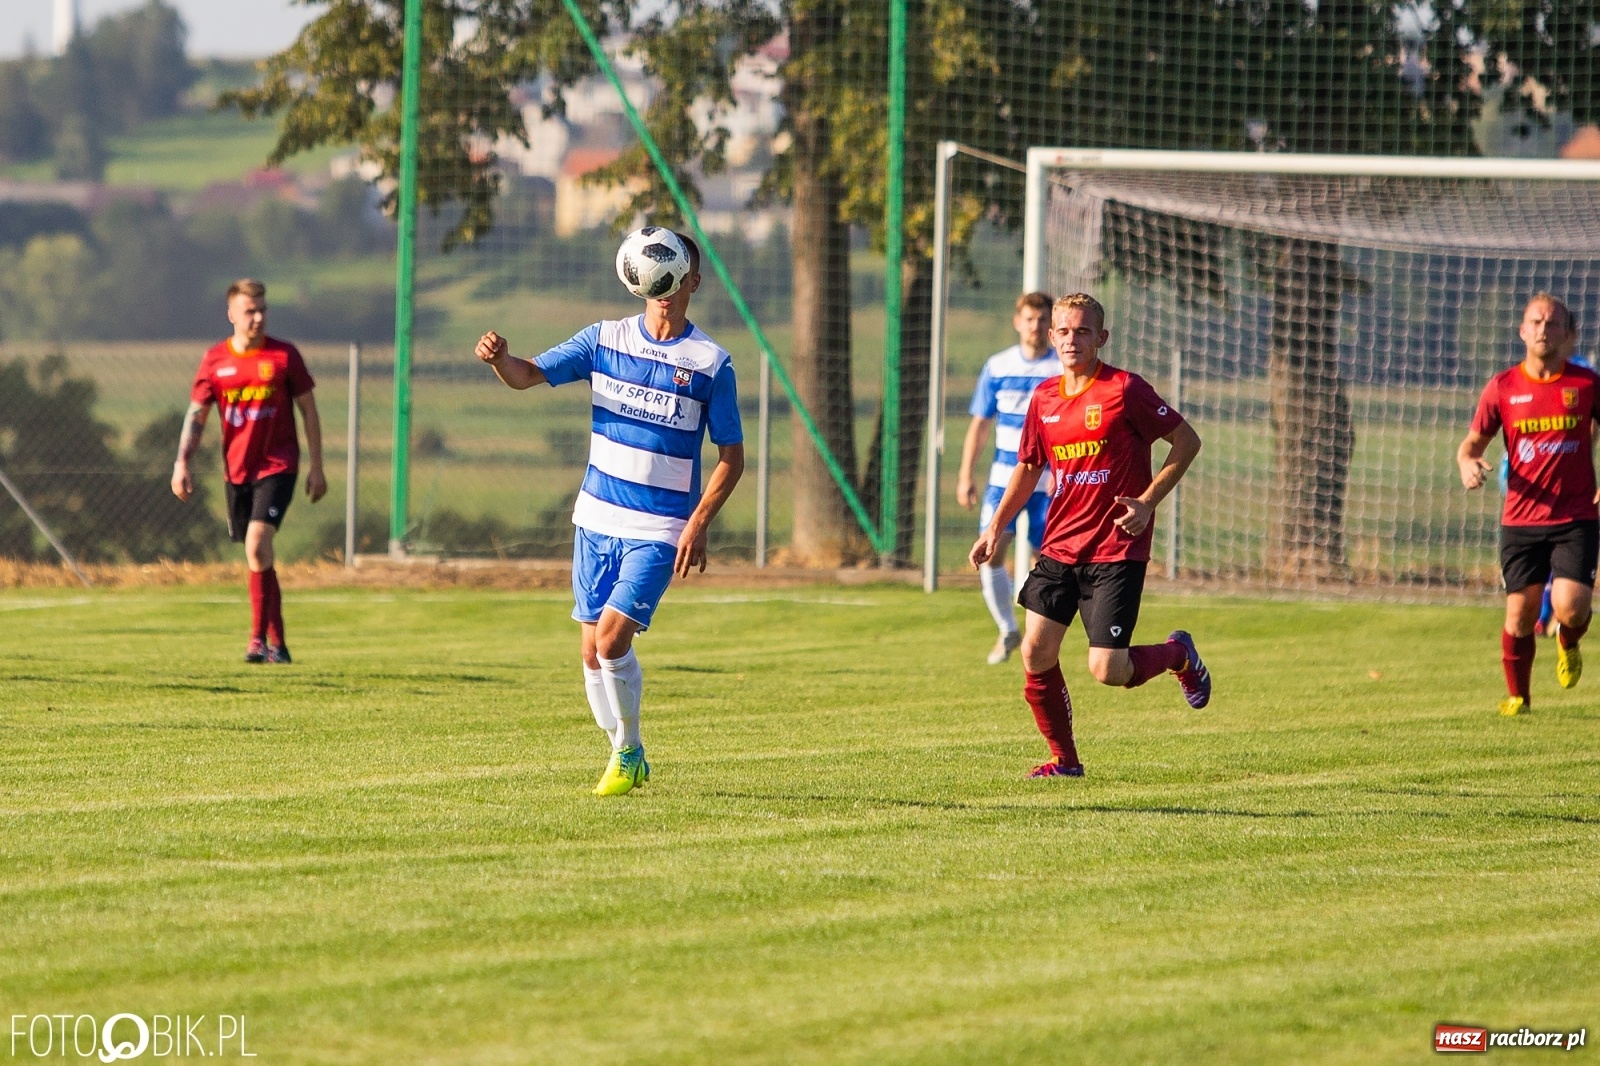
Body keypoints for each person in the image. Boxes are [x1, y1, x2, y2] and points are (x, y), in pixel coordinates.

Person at [474, 232, 743, 797]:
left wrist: (697, 524)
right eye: (659, 274)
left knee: (612, 641)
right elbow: (527, 376)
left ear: (694, 282)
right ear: (641, 278)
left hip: (660, 529)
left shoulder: (711, 364)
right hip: (596, 518)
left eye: (680, 275)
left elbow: (732, 460)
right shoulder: (603, 340)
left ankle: (630, 749)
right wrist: (501, 360)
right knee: (589, 654)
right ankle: (621, 747)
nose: (667, 288)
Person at [969, 292, 1210, 778]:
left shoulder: (1125, 390)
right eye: (1064, 330)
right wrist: (996, 526)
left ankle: (1178, 654)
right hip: (1060, 547)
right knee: (1036, 653)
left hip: (1115, 550)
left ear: (1101, 338)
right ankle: (1066, 762)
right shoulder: (1044, 398)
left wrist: (1146, 502)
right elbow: (1029, 466)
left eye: (1082, 331)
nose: (1071, 339)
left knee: (1108, 670)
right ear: (1052, 336)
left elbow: (1187, 441)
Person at [1457, 293, 1598, 716]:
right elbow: (1472, 443)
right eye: (1535, 322)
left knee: (1571, 608)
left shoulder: (1586, 384)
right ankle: (1519, 696)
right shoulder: (1503, 387)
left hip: (1575, 515)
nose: (1542, 329)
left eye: (1552, 323)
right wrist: (1466, 462)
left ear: (1569, 334)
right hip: (1521, 518)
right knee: (1518, 616)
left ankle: (1568, 642)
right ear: (1522, 331)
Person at [172, 278, 326, 663]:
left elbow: (309, 410)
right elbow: (197, 416)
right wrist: (182, 463)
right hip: (237, 472)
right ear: (231, 315)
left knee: (258, 544)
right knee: (259, 556)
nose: (258, 318)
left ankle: (257, 640)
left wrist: (317, 467)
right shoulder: (214, 361)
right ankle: (280, 644)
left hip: (279, 466)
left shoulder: (284, 357)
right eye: (249, 311)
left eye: (262, 310)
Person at [957, 292, 1060, 664]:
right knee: (990, 552)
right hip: (1004, 479)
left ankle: (1037, 637)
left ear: (1051, 324)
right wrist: (966, 474)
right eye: (1029, 319)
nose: (1035, 326)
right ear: (1017, 322)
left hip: (1049, 480)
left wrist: (1062, 470)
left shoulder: (1062, 369)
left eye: (1041, 319)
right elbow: (980, 424)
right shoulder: (997, 366)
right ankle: (1008, 629)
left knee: (1046, 559)